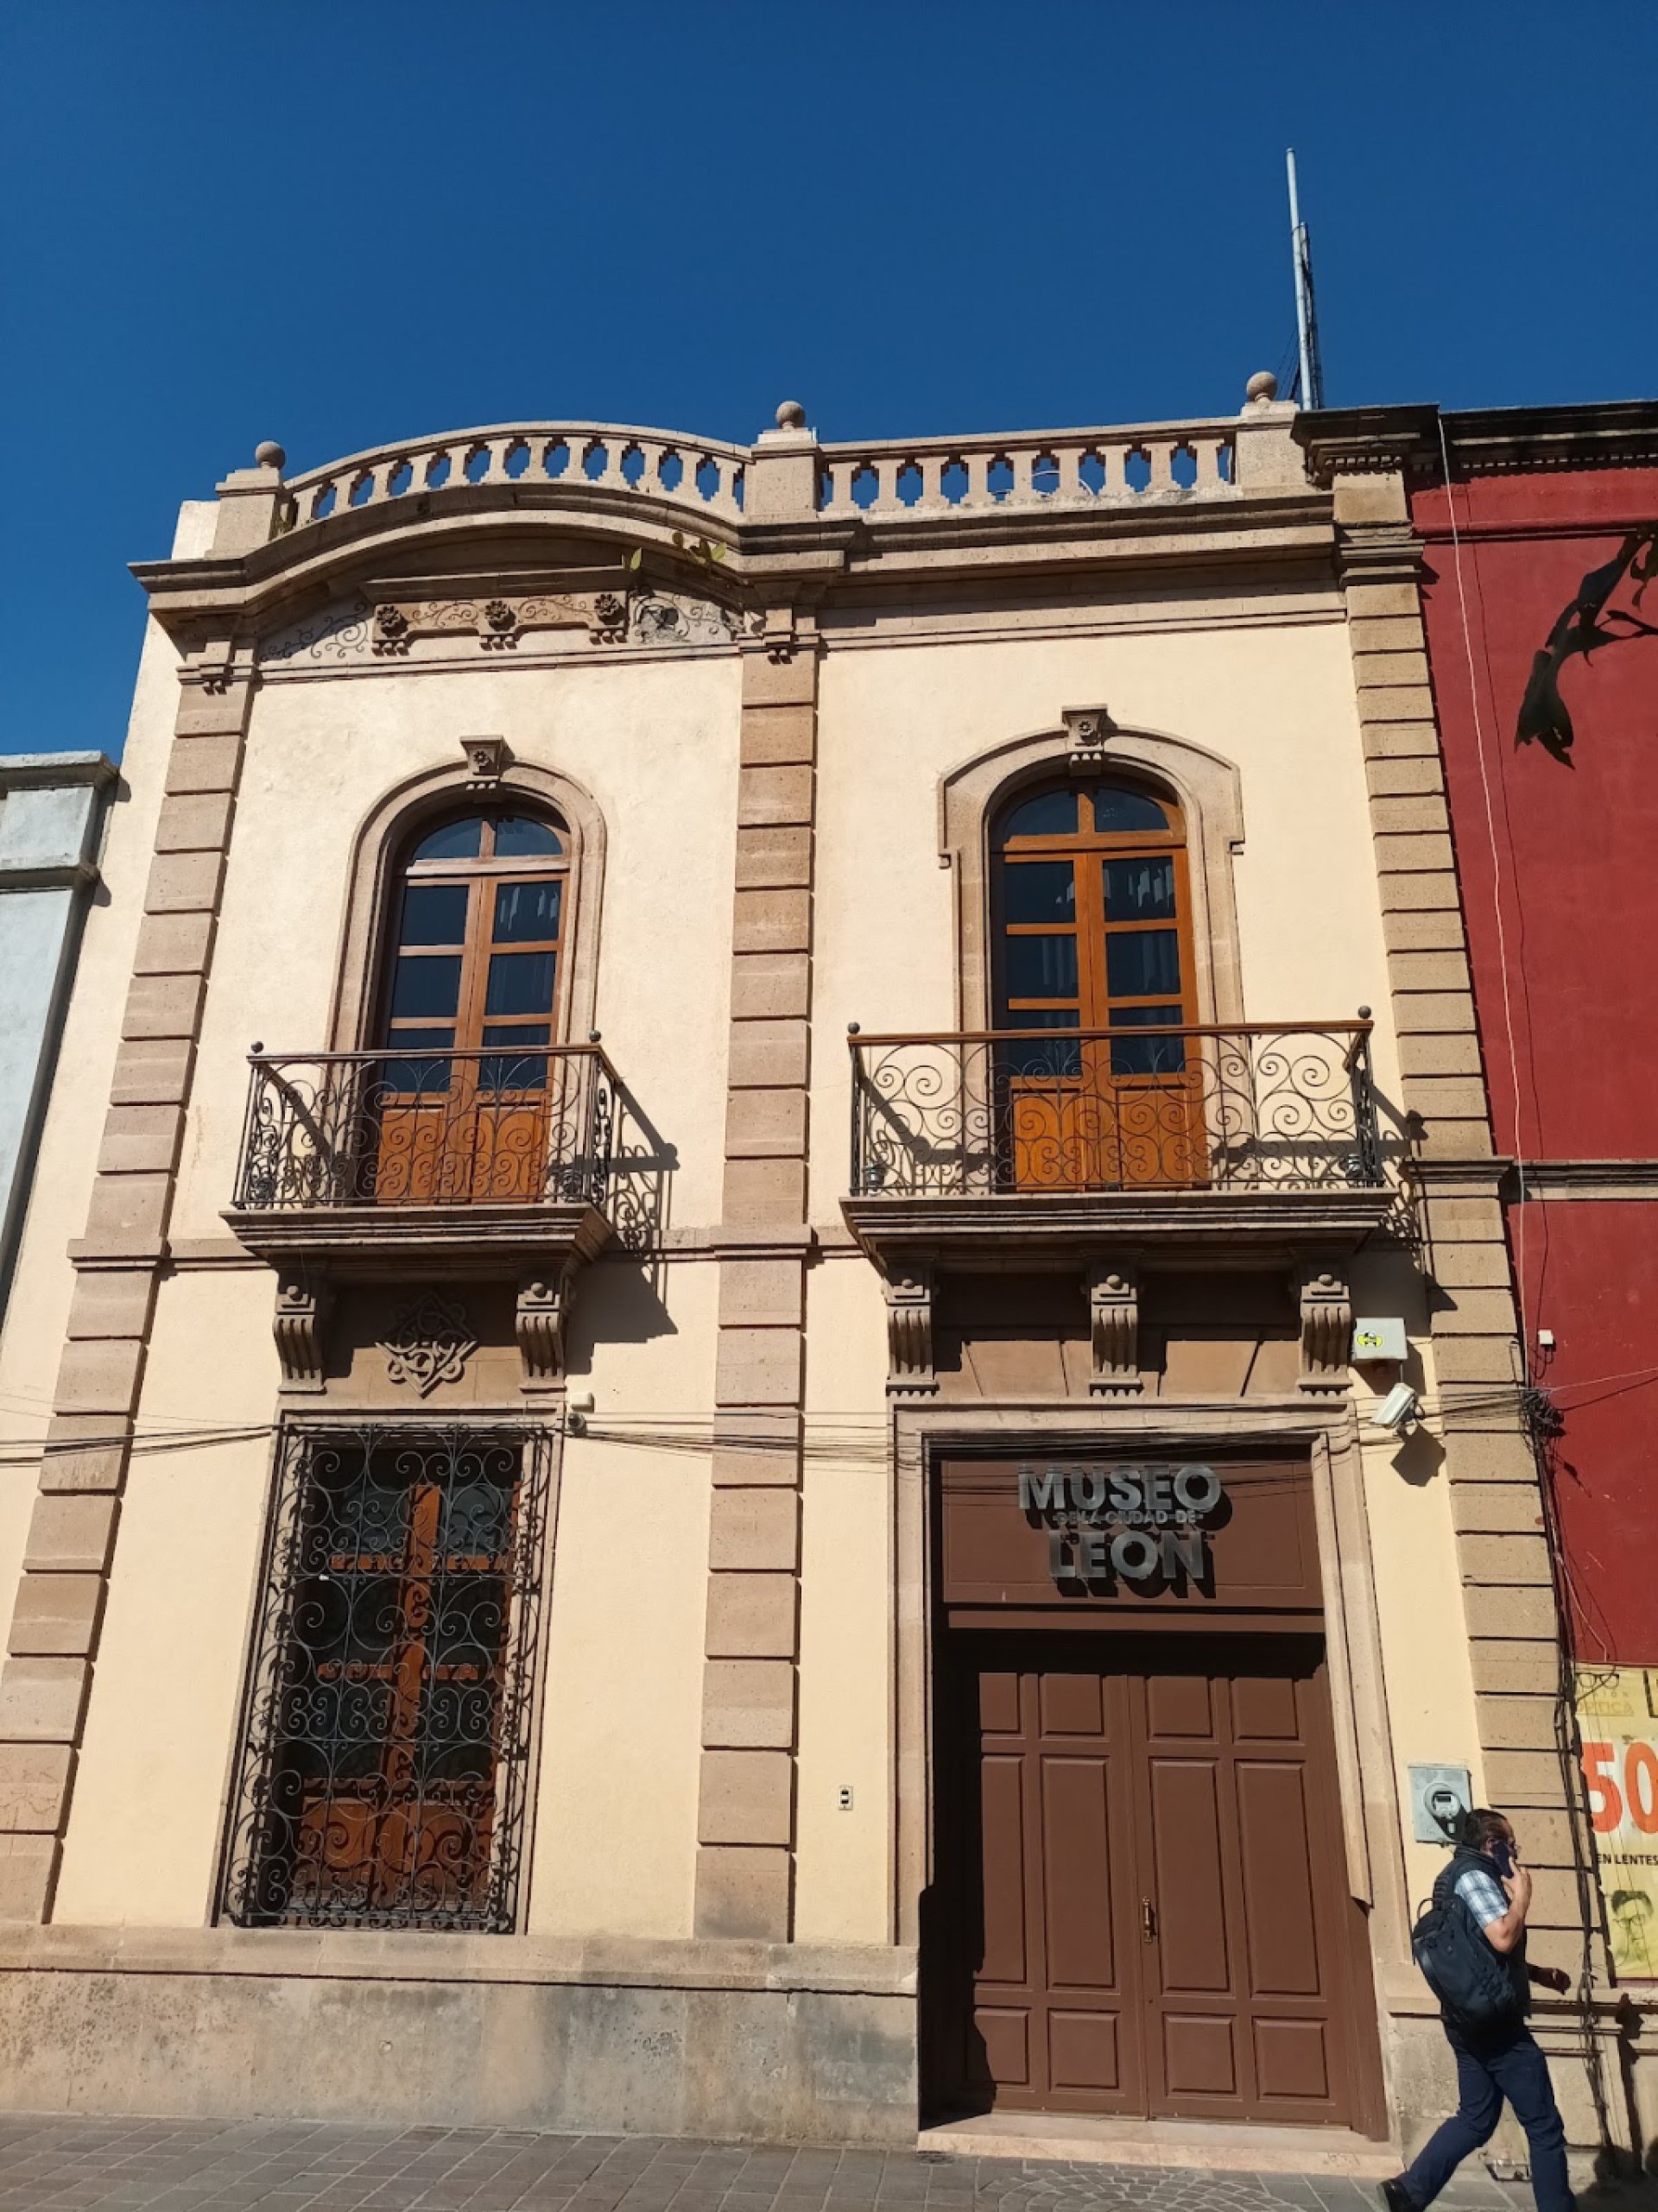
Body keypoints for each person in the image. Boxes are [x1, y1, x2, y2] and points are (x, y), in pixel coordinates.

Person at [1384, 1807, 1575, 2212]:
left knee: (1476, 2118)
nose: (1515, 1852)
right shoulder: (1474, 1877)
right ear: (1492, 1844)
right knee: (1543, 2126)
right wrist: (1522, 1897)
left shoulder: (1453, 1877)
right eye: (1511, 1844)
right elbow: (1502, 1937)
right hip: (1497, 2026)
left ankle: (1409, 2191)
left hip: (1466, 2018)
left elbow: (1479, 1952)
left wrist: (1537, 1974)